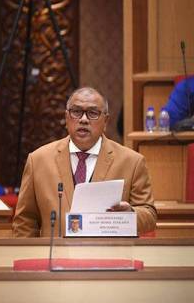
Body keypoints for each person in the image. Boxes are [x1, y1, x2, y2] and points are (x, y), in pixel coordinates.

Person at [13, 87, 157, 237]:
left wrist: (130, 214)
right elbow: (25, 221)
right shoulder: (38, 161)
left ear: (105, 121)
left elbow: (150, 215)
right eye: (76, 112)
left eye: (93, 113)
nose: (83, 119)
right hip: (56, 258)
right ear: (67, 118)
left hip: (109, 257)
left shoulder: (131, 162)